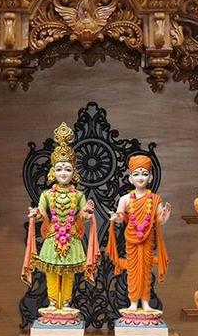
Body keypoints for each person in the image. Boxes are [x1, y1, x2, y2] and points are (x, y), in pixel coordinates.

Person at [21, 123, 99, 311]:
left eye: (67, 169)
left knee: (69, 273)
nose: (63, 173)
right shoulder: (47, 194)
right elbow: (41, 212)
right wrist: (36, 214)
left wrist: (88, 212)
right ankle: (52, 302)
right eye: (59, 169)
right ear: (52, 172)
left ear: (74, 173)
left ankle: (65, 303)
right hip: (53, 236)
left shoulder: (78, 195)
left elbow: (83, 215)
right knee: (51, 272)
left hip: (71, 236)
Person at [106, 154, 171, 311]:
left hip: (147, 238)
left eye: (144, 174)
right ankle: (133, 303)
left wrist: (164, 216)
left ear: (150, 177)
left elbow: (158, 220)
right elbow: (121, 216)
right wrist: (116, 217)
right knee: (133, 270)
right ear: (130, 178)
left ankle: (146, 302)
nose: (140, 178)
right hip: (131, 238)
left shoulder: (155, 199)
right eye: (136, 174)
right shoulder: (125, 199)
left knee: (146, 270)